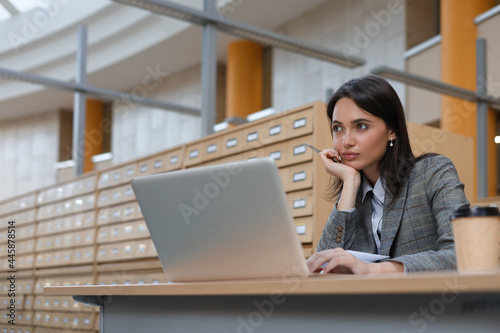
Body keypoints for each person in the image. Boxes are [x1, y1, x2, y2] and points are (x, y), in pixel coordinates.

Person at [306, 75, 469, 274]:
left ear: (392, 130)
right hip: (371, 305)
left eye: (361, 126)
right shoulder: (353, 195)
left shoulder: (433, 173)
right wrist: (348, 183)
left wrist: (373, 270)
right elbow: (321, 266)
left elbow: (462, 254)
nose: (346, 141)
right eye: (338, 128)